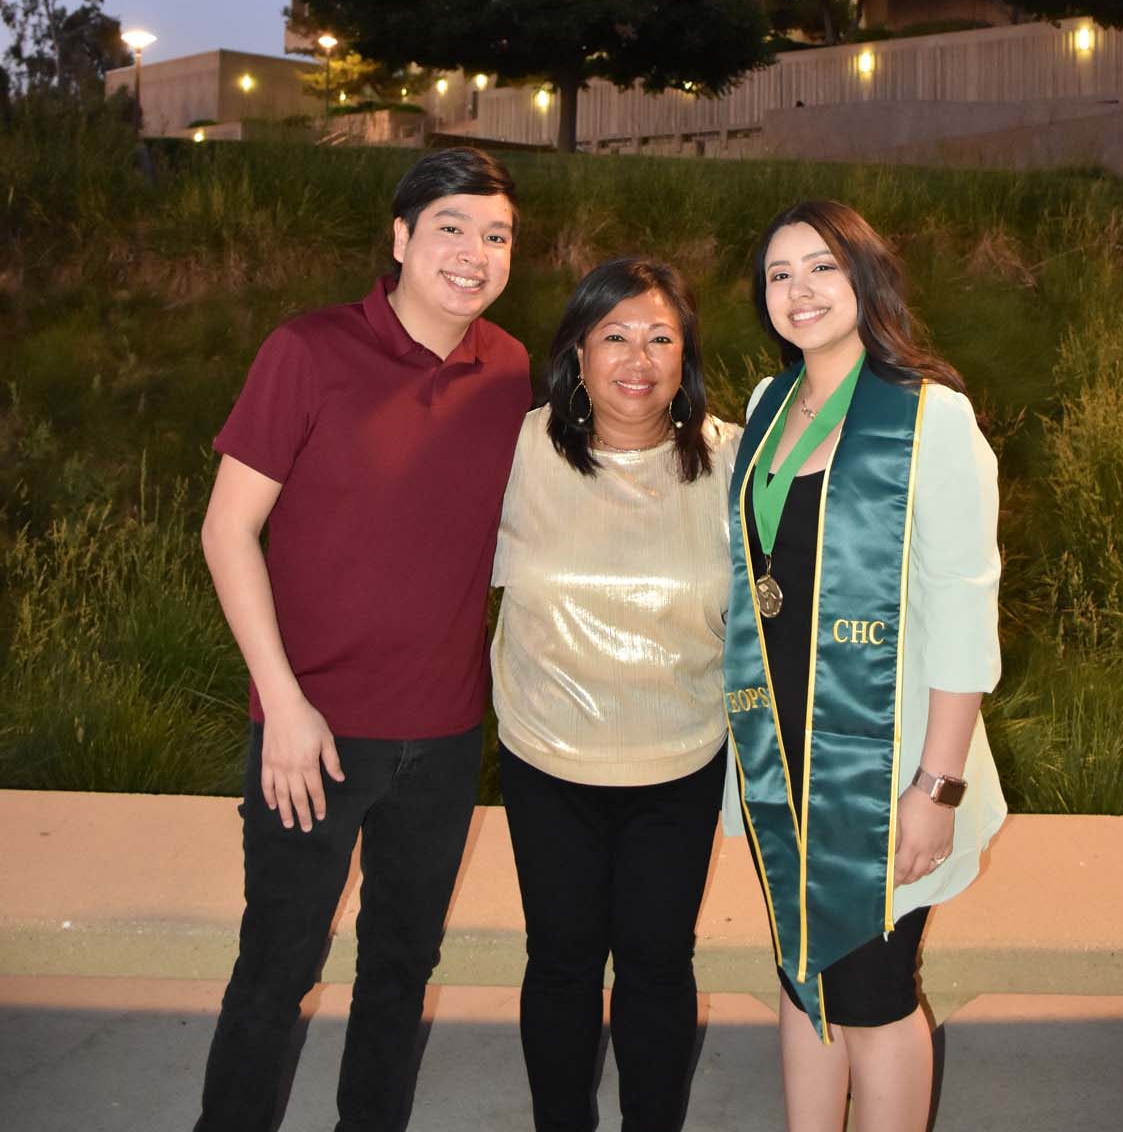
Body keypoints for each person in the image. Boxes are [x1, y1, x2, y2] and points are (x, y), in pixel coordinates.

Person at [194, 147, 531, 1132]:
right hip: (314, 732)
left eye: (497, 235)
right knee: (277, 968)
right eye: (452, 230)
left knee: (399, 970)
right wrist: (283, 703)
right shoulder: (306, 351)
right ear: (401, 239)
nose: (474, 253)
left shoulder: (507, 366)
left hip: (444, 735)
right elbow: (226, 530)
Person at [724, 200, 1005, 1132]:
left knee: (877, 993)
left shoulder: (932, 418)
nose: (799, 291)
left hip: (891, 761)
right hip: (786, 749)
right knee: (804, 973)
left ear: (865, 279)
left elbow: (966, 607)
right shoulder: (769, 408)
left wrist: (938, 782)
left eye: (821, 268)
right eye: (778, 274)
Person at [492, 256, 740, 1132]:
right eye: (615, 336)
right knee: (559, 961)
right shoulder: (517, 449)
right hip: (545, 758)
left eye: (661, 337)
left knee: (657, 964)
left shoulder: (732, 460)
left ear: (685, 356)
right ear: (579, 354)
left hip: (680, 760)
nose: (638, 358)